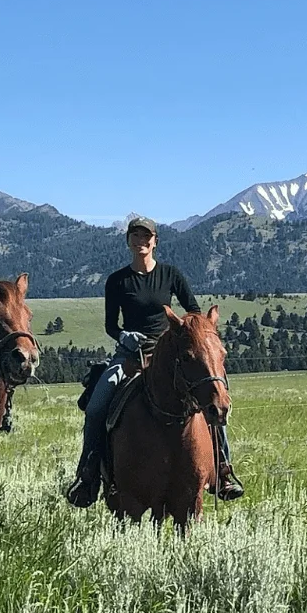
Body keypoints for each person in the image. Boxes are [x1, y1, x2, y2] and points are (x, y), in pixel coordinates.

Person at [66, 215, 244, 507]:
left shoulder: (171, 275)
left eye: (146, 237)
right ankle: (88, 474)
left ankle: (223, 469)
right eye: (135, 237)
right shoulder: (117, 281)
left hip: (171, 353)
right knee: (98, 403)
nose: (141, 242)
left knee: (214, 397)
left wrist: (183, 335)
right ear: (128, 242)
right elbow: (111, 325)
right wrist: (124, 337)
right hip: (130, 354)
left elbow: (194, 314)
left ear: (155, 241)